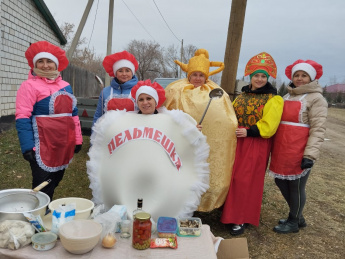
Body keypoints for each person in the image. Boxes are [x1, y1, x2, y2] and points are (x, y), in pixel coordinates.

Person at [164, 49, 238, 211]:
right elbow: (165, 115)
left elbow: (225, 119)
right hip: (180, 143)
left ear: (206, 76)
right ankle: (177, 204)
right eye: (194, 74)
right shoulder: (175, 90)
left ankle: (203, 203)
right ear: (189, 75)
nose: (198, 78)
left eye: (201, 75)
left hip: (209, 142)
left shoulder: (217, 93)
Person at [220, 52, 284, 235]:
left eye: (263, 76)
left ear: (268, 78)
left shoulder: (273, 99)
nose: (260, 79)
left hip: (255, 144)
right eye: (256, 75)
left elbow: (270, 125)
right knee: (232, 178)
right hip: (236, 142)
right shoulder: (242, 96)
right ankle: (229, 213)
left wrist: (249, 132)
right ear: (250, 76)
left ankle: (240, 218)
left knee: (245, 181)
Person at [15, 41, 83, 201]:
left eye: (49, 61)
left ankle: (45, 209)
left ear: (56, 64)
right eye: (40, 61)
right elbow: (22, 117)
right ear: (34, 64)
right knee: (42, 184)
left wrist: (77, 139)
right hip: (42, 145)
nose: (45, 66)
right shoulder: (29, 86)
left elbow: (73, 115)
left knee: (56, 179)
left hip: (63, 144)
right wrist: (27, 147)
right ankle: (38, 214)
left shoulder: (66, 86)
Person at [269, 59, 328, 234]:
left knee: (296, 186)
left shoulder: (317, 99)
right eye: (297, 75)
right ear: (292, 77)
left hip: (299, 148)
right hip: (282, 147)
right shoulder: (286, 96)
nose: (300, 78)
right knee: (280, 180)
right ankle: (298, 215)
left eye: (304, 75)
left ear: (311, 78)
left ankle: (293, 221)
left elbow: (318, 129)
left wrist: (309, 155)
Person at [93, 50, 139, 125]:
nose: (124, 74)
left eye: (127, 71)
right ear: (115, 73)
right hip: (109, 133)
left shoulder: (139, 90)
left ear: (132, 72)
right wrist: (94, 135)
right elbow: (98, 116)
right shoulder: (105, 92)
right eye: (120, 71)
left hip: (133, 133)